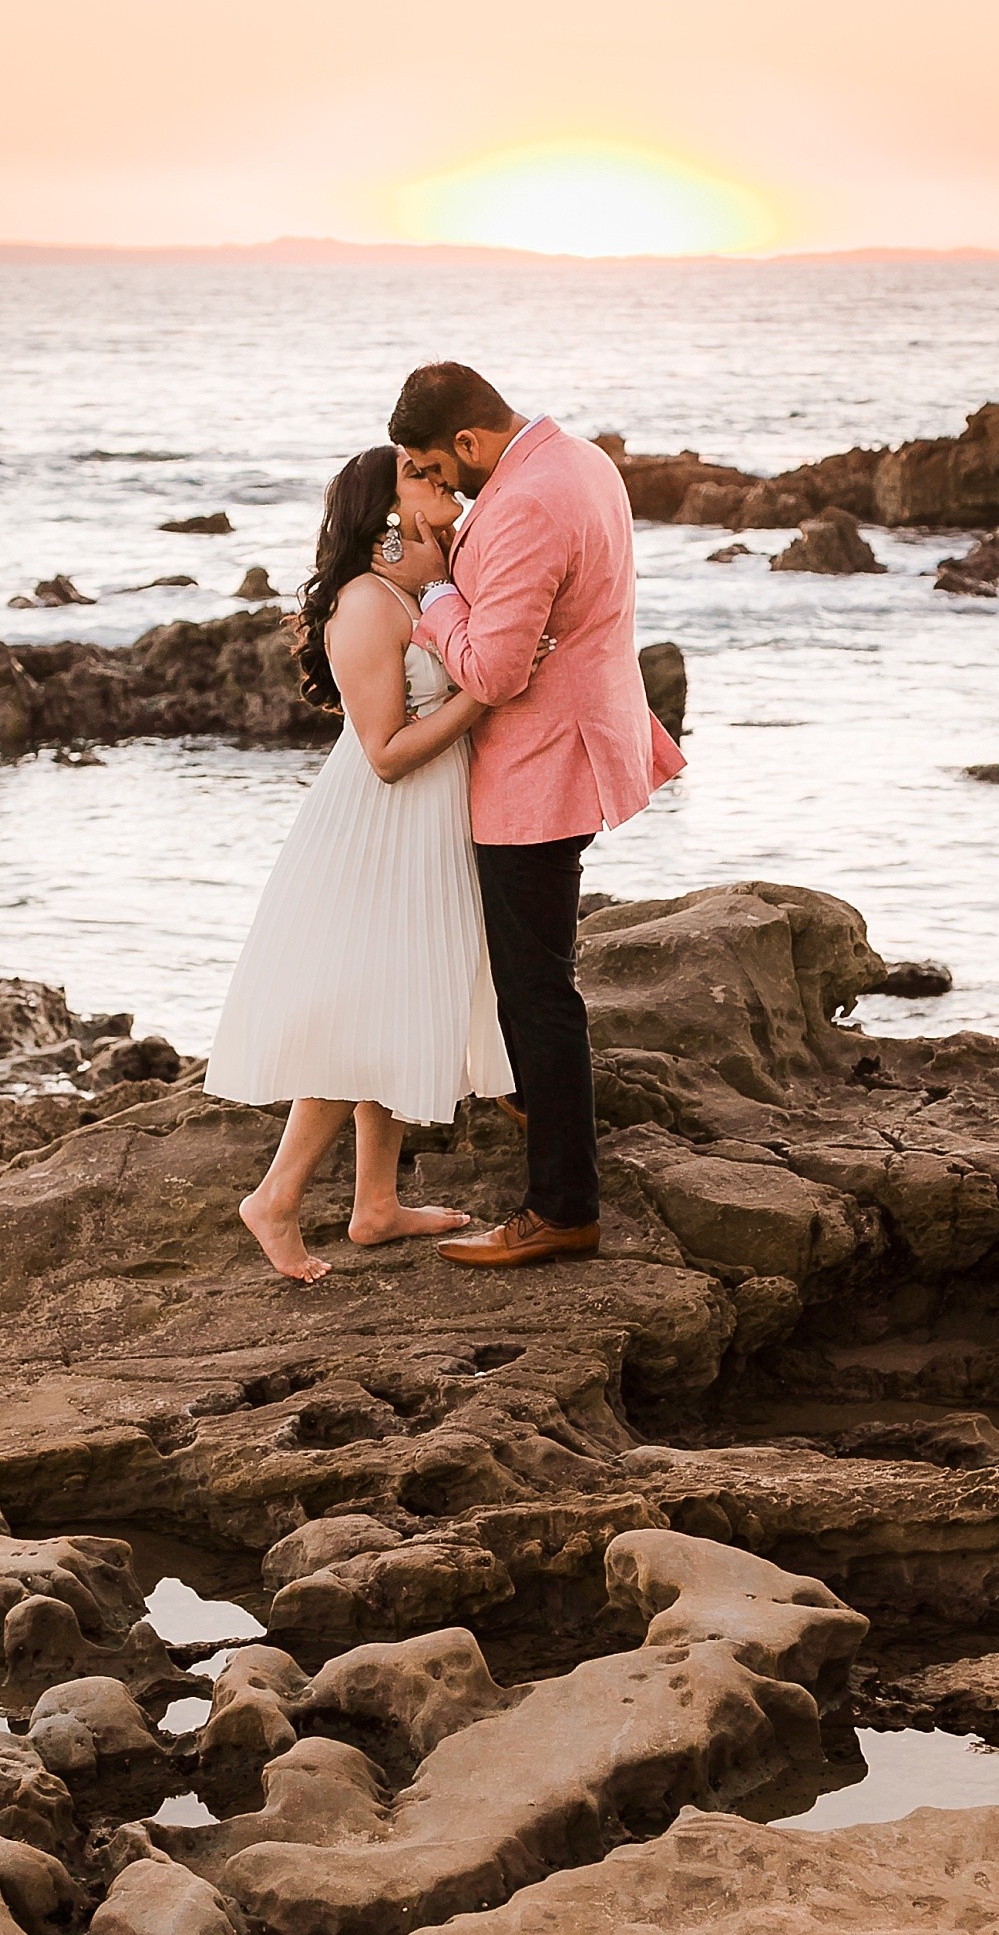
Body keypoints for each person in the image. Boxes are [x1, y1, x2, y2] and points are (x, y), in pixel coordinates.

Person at [386, 360, 684, 1265]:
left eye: (440, 469)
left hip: (539, 769)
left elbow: (493, 672)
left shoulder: (520, 504)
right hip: (579, 740)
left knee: (538, 989)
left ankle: (562, 1206)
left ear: (470, 442)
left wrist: (435, 597)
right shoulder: (580, 459)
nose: (442, 488)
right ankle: (542, 1100)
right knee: (531, 971)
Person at [204, 444, 512, 1281]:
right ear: (385, 506)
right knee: (358, 1012)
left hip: (425, 820)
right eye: (419, 473)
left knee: (396, 999)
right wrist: (483, 694)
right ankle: (274, 1197)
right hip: (380, 821)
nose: (440, 478)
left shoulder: (416, 586)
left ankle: (375, 1205)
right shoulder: (368, 604)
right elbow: (382, 751)